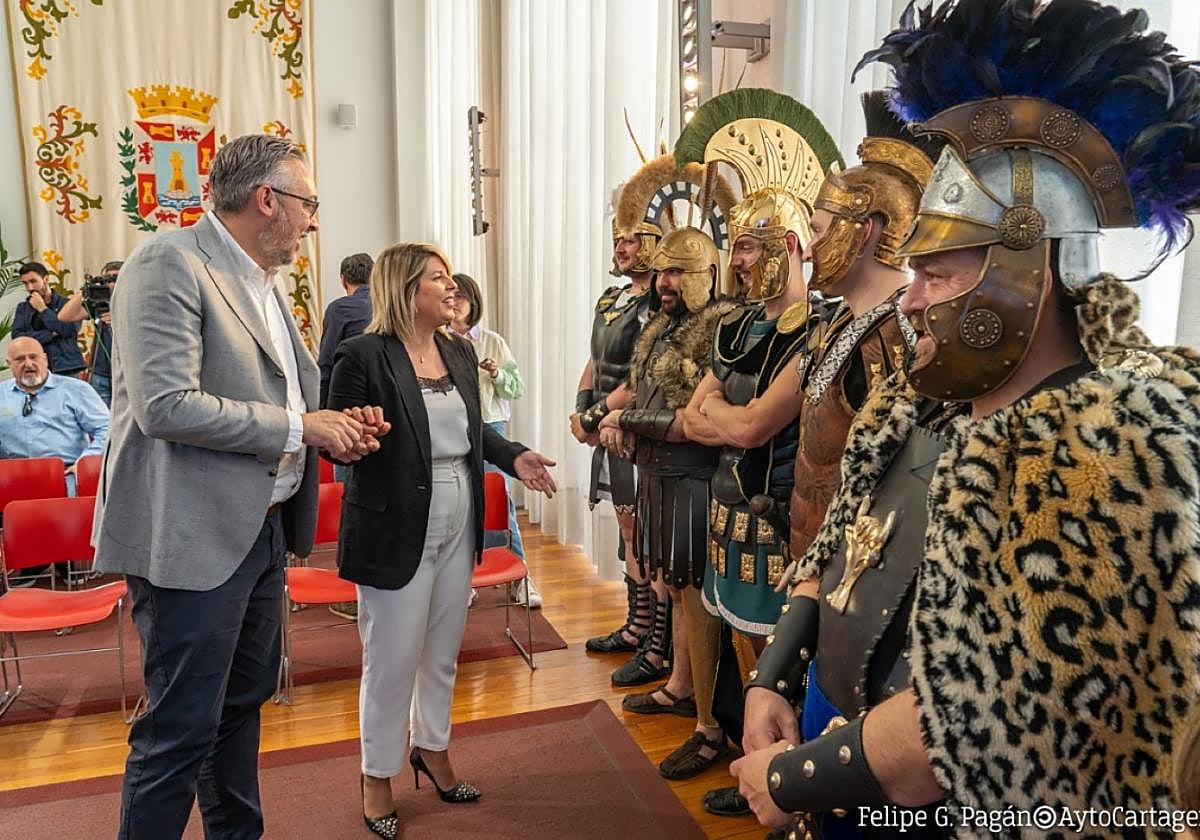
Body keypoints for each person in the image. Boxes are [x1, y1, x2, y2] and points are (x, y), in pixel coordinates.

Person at [730, 2, 1200, 836]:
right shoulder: (915, 405)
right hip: (839, 768)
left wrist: (793, 776)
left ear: (1026, 274)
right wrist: (772, 675)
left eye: (937, 277)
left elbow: (973, 723)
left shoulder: (1110, 450)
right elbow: (840, 547)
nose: (910, 302)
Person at [93, 133, 383, 840]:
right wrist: (301, 429)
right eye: (307, 203)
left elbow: (274, 398)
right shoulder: (169, 262)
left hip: (257, 530)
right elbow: (166, 406)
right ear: (267, 200)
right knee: (180, 729)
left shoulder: (260, 281)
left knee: (238, 710)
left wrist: (338, 422)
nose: (313, 220)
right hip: (189, 535)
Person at [327, 242, 556, 840]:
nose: (451, 287)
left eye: (450, 277)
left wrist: (515, 456)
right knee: (391, 658)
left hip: (460, 505)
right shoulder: (363, 355)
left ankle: (432, 748)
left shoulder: (456, 348)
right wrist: (359, 436)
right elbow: (336, 439)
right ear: (406, 290)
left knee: (443, 649)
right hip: (395, 516)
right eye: (438, 278)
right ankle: (377, 775)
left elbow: (474, 429)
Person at [673, 88, 841, 816]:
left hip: (782, 522)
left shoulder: (818, 333)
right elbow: (694, 413)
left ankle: (786, 786)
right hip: (726, 512)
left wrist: (724, 415)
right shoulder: (735, 328)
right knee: (745, 650)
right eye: (736, 245)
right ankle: (752, 769)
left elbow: (744, 430)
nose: (736, 261)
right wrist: (724, 415)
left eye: (747, 246)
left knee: (784, 662)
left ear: (788, 246)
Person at [599, 225, 737, 780]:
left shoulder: (722, 327)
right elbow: (647, 398)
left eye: (678, 271)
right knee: (676, 592)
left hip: (694, 482)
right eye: (661, 271)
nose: (665, 282)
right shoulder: (660, 326)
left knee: (697, 598)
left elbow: (694, 424)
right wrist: (618, 422)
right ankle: (681, 686)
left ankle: (709, 724)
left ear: (707, 273)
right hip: (659, 477)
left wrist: (621, 419)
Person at [575, 158, 662, 669]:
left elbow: (647, 373)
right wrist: (580, 408)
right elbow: (595, 359)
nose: (620, 247)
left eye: (630, 238)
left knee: (644, 532)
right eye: (617, 238)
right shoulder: (611, 298)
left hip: (633, 430)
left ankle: (654, 640)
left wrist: (599, 414)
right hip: (605, 428)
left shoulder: (660, 301)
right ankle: (635, 626)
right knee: (627, 529)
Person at [448, 271, 542, 608]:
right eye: (450, 294)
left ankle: (521, 577)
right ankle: (463, 579)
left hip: (491, 428)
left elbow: (515, 388)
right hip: (451, 429)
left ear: (474, 302)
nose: (455, 302)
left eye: (461, 296)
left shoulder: (492, 341)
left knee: (499, 502)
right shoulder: (436, 340)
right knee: (457, 506)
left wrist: (495, 372)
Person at [0, 336, 108, 495]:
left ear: (45, 359)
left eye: (33, 357)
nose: (28, 364)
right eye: (20, 359)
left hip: (67, 473)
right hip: (14, 477)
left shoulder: (76, 389)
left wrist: (85, 462)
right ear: (9, 364)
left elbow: (106, 429)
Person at [59, 259, 121, 406]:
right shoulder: (100, 303)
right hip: (101, 374)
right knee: (101, 421)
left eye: (116, 278)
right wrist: (87, 289)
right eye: (108, 279)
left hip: (126, 374)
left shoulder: (134, 301)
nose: (112, 283)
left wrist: (119, 317)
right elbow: (64, 316)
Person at [317, 251, 374, 409]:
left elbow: (327, 361)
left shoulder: (339, 309)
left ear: (343, 280)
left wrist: (321, 407)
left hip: (351, 397)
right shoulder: (391, 305)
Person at [12, 260, 85, 377]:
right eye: (25, 283)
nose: (30, 288)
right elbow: (18, 337)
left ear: (46, 279)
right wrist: (51, 334)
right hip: (36, 368)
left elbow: (68, 330)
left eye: (33, 281)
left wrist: (42, 309)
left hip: (66, 367)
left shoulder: (67, 304)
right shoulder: (23, 308)